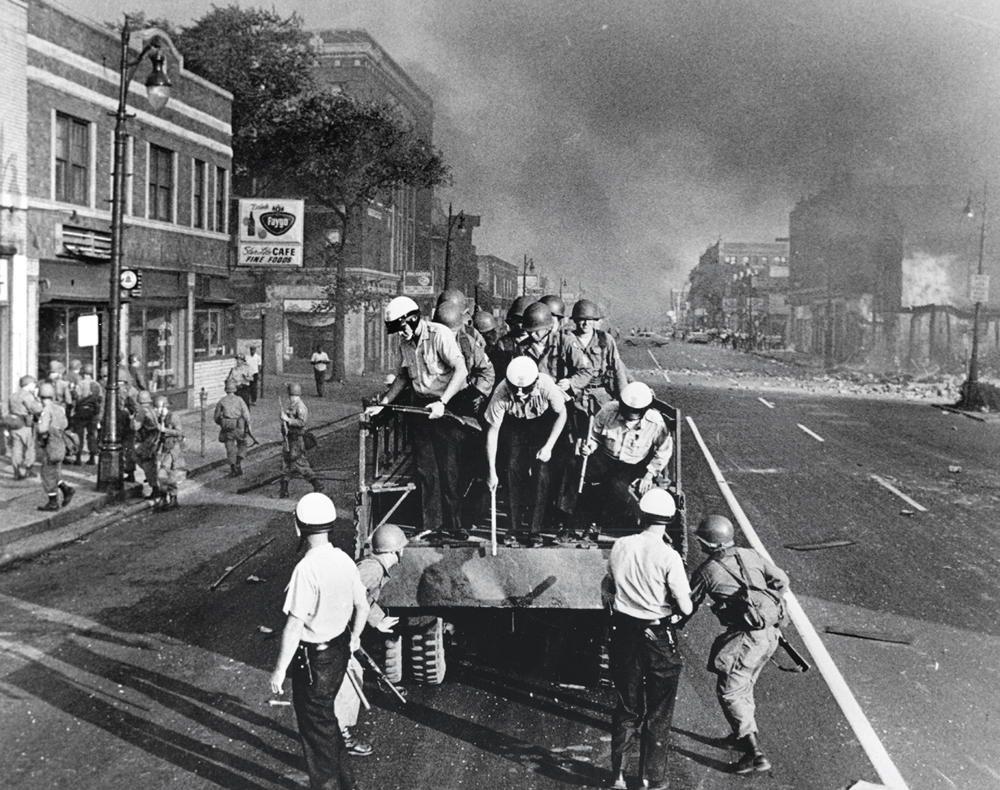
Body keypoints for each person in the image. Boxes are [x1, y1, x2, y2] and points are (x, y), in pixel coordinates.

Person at [269, 493, 370, 790]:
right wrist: (353, 639)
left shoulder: (306, 569)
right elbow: (362, 606)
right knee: (326, 723)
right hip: (338, 652)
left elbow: (294, 625)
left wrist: (278, 670)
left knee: (316, 734)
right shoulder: (344, 559)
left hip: (314, 661)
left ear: (299, 528)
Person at [603, 489, 692, 790]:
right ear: (669, 519)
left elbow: (609, 586)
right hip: (657, 635)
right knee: (659, 712)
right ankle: (650, 778)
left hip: (624, 634)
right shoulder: (669, 556)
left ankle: (617, 774)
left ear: (640, 514)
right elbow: (686, 605)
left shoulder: (620, 545)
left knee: (627, 707)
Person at [687, 515, 789, 774]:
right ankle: (740, 734)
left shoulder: (707, 571)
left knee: (731, 692)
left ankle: (753, 753)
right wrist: (760, 604)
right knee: (745, 687)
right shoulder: (750, 554)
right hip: (770, 634)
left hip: (746, 639)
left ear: (709, 545)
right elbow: (781, 582)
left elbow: (687, 605)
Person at [374, 296, 470, 541]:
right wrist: (384, 403)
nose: (400, 333)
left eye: (402, 327)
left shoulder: (439, 334)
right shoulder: (406, 343)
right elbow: (404, 377)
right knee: (426, 470)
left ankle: (455, 526)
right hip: (422, 408)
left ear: (413, 318)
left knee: (450, 469)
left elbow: (461, 370)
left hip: (448, 407)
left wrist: (443, 402)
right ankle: (432, 525)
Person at [334, 523, 409, 757]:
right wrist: (358, 631)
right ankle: (341, 736)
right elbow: (350, 595)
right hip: (337, 630)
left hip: (341, 628)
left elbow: (361, 596)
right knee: (350, 677)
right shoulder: (372, 570)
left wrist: (376, 619)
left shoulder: (372, 566)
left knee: (351, 674)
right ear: (395, 551)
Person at [570, 382, 675, 543]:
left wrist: (649, 474)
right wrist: (589, 447)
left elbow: (664, 450)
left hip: (634, 463)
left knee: (615, 484)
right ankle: (568, 521)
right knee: (573, 471)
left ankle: (596, 524)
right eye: (626, 409)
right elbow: (594, 435)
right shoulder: (608, 410)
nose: (628, 414)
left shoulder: (655, 422)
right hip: (605, 456)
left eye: (634, 412)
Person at [484, 357, 567, 546]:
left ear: (535, 382)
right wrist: (491, 471)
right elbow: (493, 431)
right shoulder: (501, 391)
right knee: (512, 468)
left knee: (541, 472)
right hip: (516, 424)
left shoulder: (546, 385)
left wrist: (549, 446)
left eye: (526, 389)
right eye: (515, 389)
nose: (520, 394)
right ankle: (513, 528)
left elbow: (562, 414)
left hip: (543, 423)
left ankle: (534, 530)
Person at [433, 301, 495, 418]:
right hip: (434, 399)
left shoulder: (467, 343)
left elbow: (487, 371)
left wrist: (479, 393)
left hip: (460, 399)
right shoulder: (426, 343)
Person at [35, 382, 75, 511]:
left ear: (40, 397)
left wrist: (36, 424)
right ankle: (66, 489)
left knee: (47, 474)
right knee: (54, 471)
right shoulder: (59, 408)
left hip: (51, 446)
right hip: (60, 445)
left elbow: (42, 429)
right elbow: (65, 424)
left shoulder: (46, 410)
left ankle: (53, 502)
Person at [280, 382, 324, 499]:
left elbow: (302, 422)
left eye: (291, 394)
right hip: (289, 439)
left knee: (300, 463)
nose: (290, 397)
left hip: (297, 440)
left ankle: (317, 484)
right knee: (286, 463)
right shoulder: (291, 405)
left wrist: (288, 420)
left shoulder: (300, 406)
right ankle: (284, 490)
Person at [153, 395, 185, 510]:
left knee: (165, 472)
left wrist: (164, 430)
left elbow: (179, 432)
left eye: (157, 408)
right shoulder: (161, 418)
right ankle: (167, 497)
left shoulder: (173, 417)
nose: (156, 410)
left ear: (162, 407)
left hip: (173, 449)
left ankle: (170, 497)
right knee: (166, 474)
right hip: (164, 448)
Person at [215, 379, 251, 478]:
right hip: (239, 426)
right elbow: (246, 414)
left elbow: (216, 417)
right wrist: (248, 424)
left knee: (230, 447)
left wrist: (221, 423)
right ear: (235, 390)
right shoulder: (239, 400)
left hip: (228, 427)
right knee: (243, 443)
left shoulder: (222, 401)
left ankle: (233, 468)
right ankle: (239, 460)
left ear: (226, 390)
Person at [7, 375, 42, 480]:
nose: (34, 386)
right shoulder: (27, 396)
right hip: (25, 425)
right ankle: (28, 470)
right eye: (33, 384)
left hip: (13, 424)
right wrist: (36, 398)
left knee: (16, 448)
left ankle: (16, 471)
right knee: (30, 447)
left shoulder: (13, 395)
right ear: (28, 384)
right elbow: (37, 409)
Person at [69, 363, 103, 465]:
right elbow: (100, 399)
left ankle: (78, 458)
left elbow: (76, 397)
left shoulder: (81, 384)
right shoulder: (97, 385)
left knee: (79, 434)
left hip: (81, 411)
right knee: (92, 434)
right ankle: (92, 457)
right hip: (93, 412)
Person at [132, 390, 162, 501]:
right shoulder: (151, 409)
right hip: (154, 438)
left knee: (139, 458)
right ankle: (152, 480)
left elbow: (135, 427)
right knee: (150, 462)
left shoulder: (142, 412)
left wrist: (132, 417)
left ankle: (154, 486)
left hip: (148, 440)